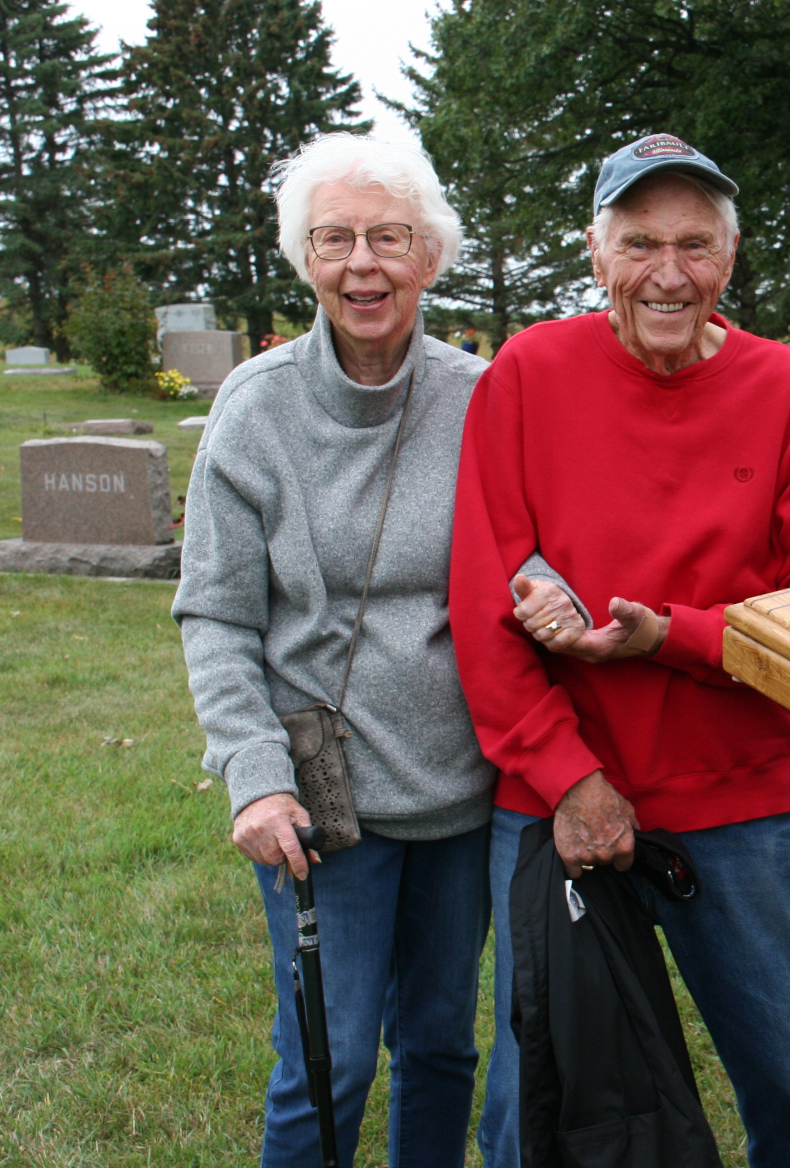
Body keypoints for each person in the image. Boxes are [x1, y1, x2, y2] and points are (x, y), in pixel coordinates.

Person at [447, 133, 790, 1168]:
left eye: (695, 245)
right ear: (596, 252)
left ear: (730, 257)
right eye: (640, 244)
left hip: (744, 800)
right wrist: (568, 779)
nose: (669, 273)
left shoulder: (787, 389)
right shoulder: (529, 373)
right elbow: (483, 600)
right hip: (556, 799)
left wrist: (670, 636)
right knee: (537, 1096)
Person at [173, 133, 494, 1168]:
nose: (363, 263)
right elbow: (216, 614)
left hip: (461, 794)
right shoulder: (253, 409)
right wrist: (255, 777)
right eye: (335, 238)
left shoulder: (483, 396)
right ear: (305, 258)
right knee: (329, 1060)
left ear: (429, 256)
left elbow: (530, 560)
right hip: (320, 803)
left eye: (389, 237)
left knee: (440, 1046)